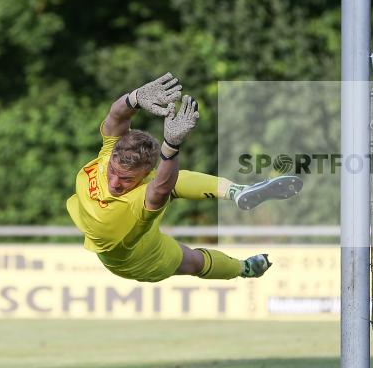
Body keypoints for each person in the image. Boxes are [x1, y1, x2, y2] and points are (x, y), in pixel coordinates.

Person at [66, 72, 302, 283]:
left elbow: (160, 189)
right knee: (194, 262)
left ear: (144, 174)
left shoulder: (137, 200)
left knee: (170, 187)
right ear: (113, 156)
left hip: (137, 243)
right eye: (113, 172)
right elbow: (116, 117)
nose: (115, 183)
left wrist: (171, 146)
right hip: (134, 260)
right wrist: (135, 97)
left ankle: (238, 199)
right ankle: (243, 266)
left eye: (127, 179)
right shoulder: (109, 154)